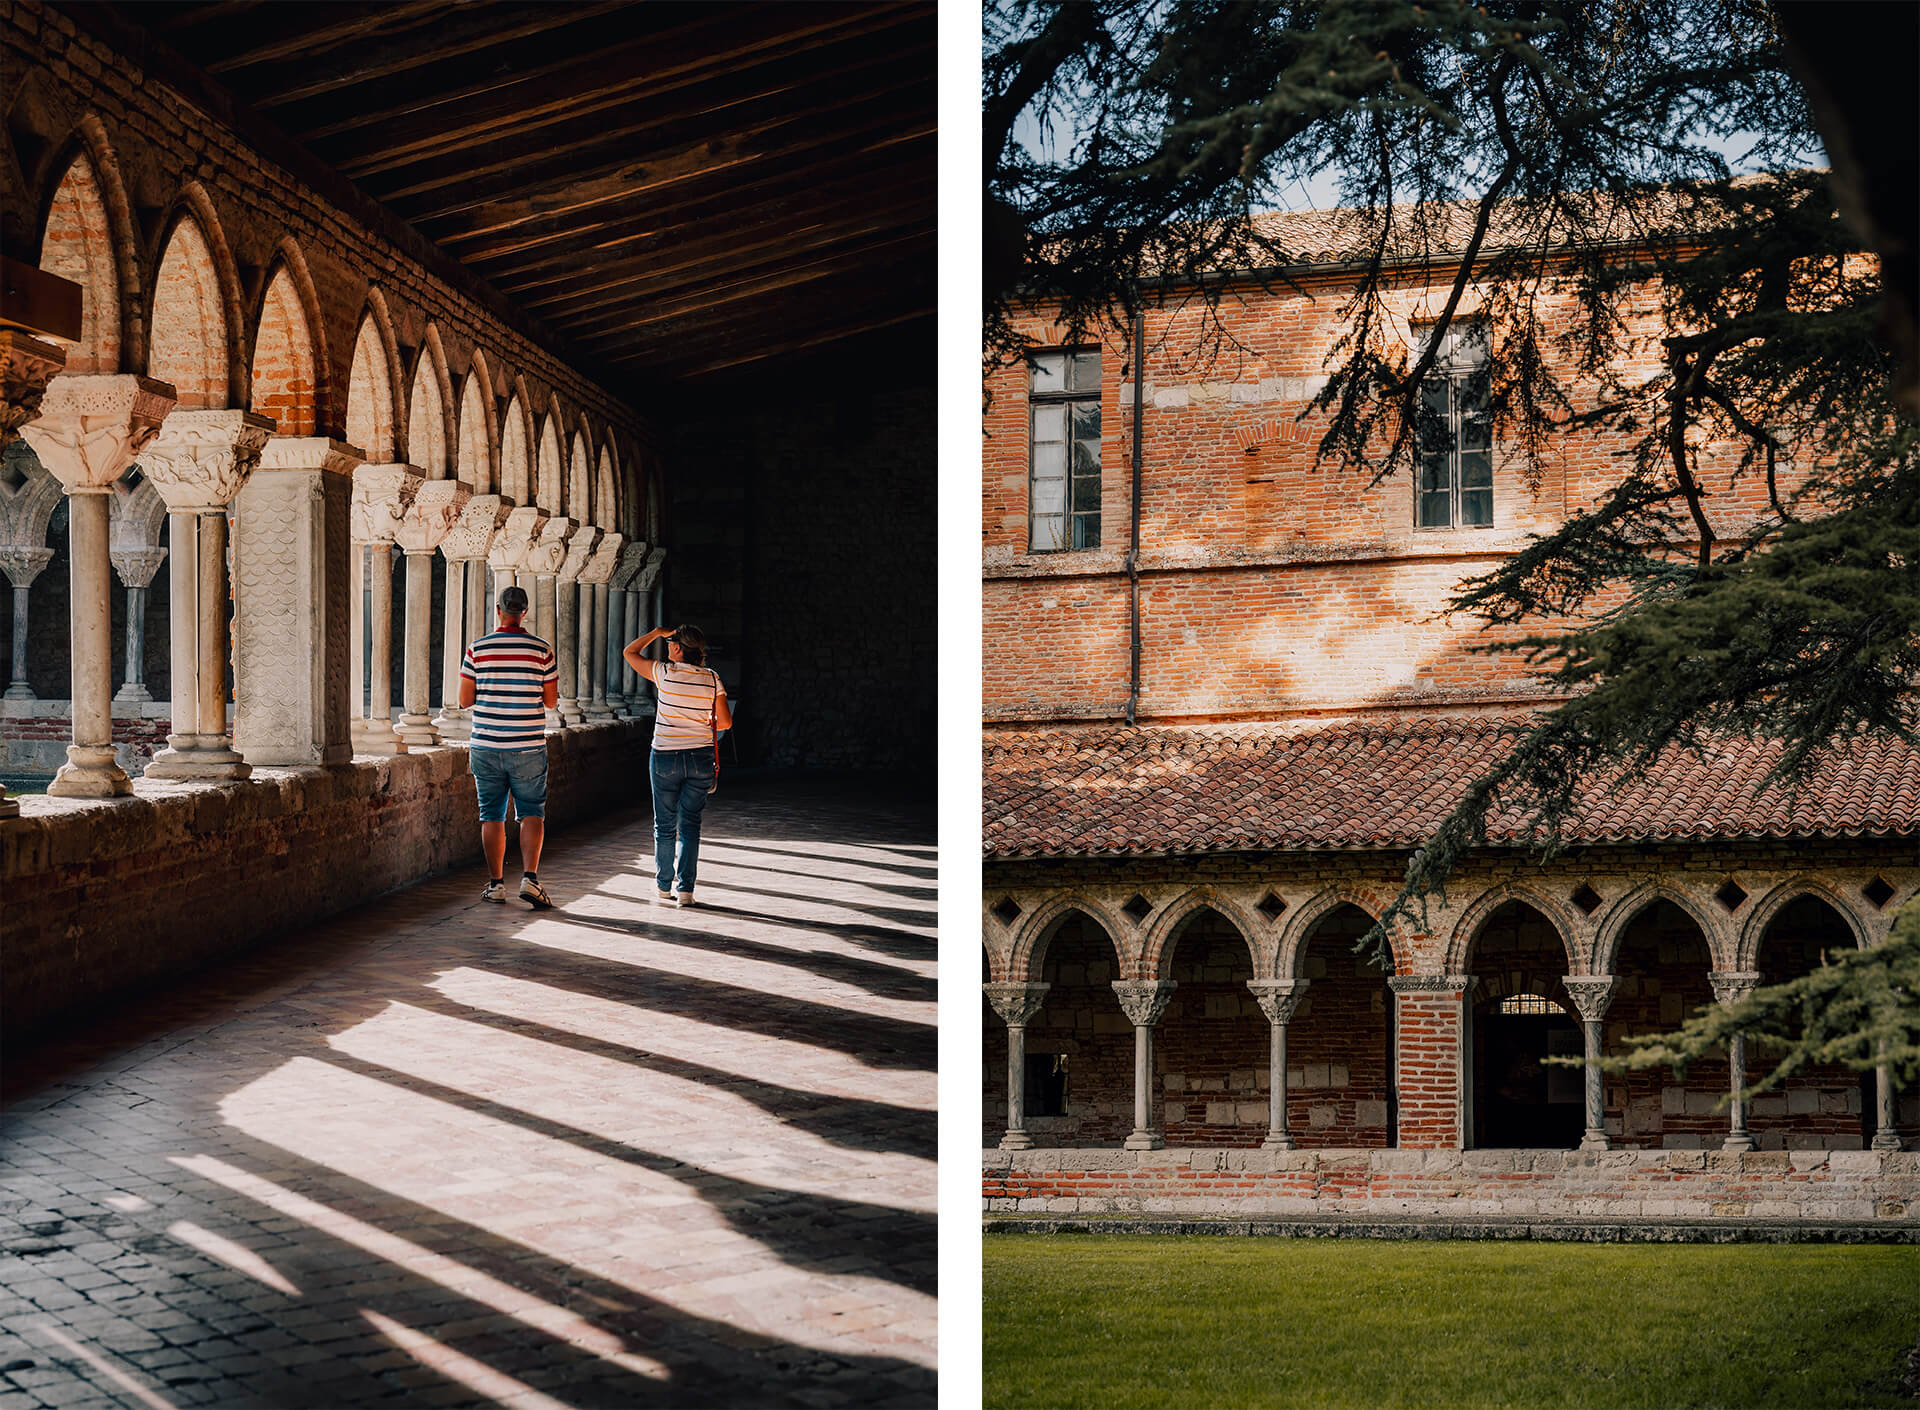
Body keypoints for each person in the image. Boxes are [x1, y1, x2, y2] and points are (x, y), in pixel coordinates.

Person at [460, 584, 560, 908]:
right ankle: (530, 879)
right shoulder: (542, 650)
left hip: (486, 744)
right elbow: (551, 701)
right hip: (528, 745)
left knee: (492, 815)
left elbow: (463, 701)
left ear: (499, 611)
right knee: (532, 813)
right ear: (524, 612)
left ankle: (496, 884)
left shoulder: (477, 649)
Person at [623, 623, 731, 906]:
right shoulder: (712, 678)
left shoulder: (663, 673)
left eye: (671, 643)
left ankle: (662, 886)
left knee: (665, 824)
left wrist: (656, 632)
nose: (667, 646)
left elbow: (630, 652)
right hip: (700, 757)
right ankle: (686, 890)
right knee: (691, 825)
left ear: (678, 648)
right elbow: (727, 722)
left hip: (665, 756)